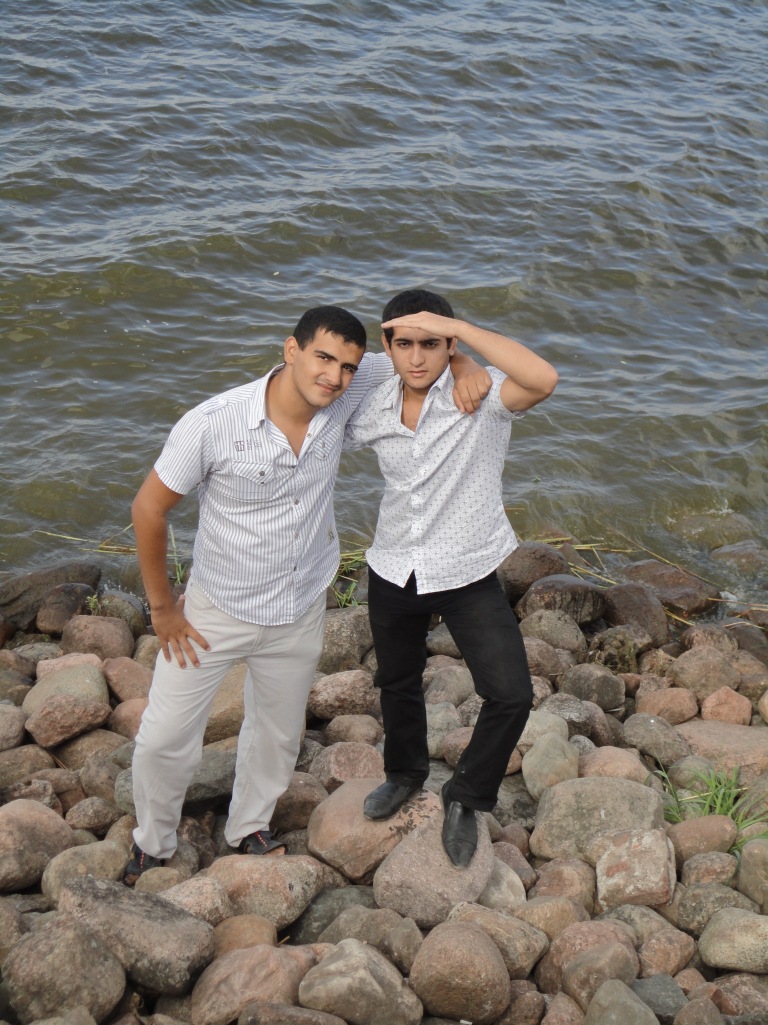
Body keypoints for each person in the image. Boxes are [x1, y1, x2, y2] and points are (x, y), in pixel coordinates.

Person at [124, 304, 490, 884]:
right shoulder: (212, 423)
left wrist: (466, 362)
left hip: (299, 607)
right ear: (291, 350)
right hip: (214, 610)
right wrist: (164, 608)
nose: (335, 376)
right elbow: (149, 508)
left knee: (276, 733)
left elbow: (419, 355)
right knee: (164, 738)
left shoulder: (345, 389)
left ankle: (249, 828)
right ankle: (153, 842)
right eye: (323, 358)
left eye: (347, 366)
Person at [344, 289, 558, 868]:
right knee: (397, 681)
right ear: (387, 345)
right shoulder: (371, 400)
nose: (417, 358)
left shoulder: (481, 396)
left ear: (449, 343)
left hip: (467, 569)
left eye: (432, 344)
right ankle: (404, 773)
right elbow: (314, 382)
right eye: (405, 344)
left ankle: (465, 796)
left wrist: (462, 344)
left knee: (511, 693)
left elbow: (542, 378)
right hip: (394, 564)